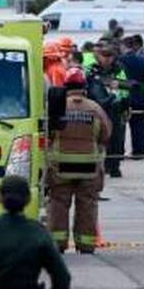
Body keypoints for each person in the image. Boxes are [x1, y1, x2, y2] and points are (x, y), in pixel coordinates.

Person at [46, 67, 111, 254]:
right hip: (89, 168)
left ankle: (57, 243)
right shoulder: (95, 108)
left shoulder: (56, 108)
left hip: (60, 168)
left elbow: (47, 133)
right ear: (84, 86)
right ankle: (86, 244)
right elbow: (106, 135)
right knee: (87, 205)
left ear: (65, 86)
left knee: (58, 204)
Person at [87, 45, 127, 178]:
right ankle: (102, 166)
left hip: (116, 109)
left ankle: (114, 166)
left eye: (110, 56)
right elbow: (91, 90)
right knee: (100, 138)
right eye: (104, 56)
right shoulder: (93, 70)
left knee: (117, 138)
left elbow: (125, 88)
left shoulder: (119, 70)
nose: (107, 59)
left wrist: (125, 104)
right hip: (99, 109)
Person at [119, 35, 144, 157]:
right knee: (141, 126)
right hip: (142, 96)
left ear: (125, 46)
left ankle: (119, 152)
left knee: (120, 127)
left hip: (125, 96)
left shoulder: (120, 60)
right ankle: (140, 151)